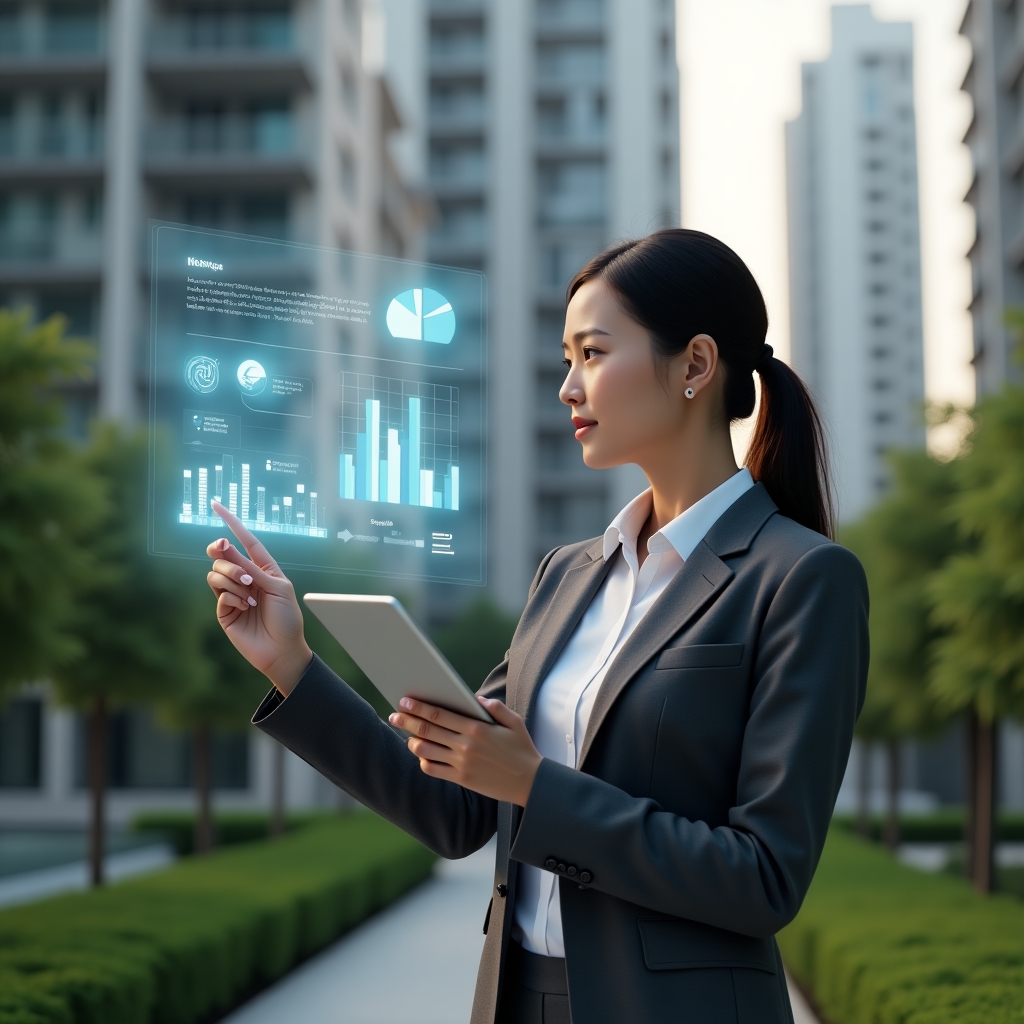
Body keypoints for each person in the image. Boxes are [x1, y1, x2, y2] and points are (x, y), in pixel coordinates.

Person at [206, 229, 868, 1024]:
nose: (568, 386)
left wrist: (535, 785)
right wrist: (293, 667)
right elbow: (453, 809)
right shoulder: (569, 574)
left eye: (592, 353)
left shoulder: (801, 578)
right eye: (566, 358)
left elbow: (764, 878)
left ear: (695, 365)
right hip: (521, 999)